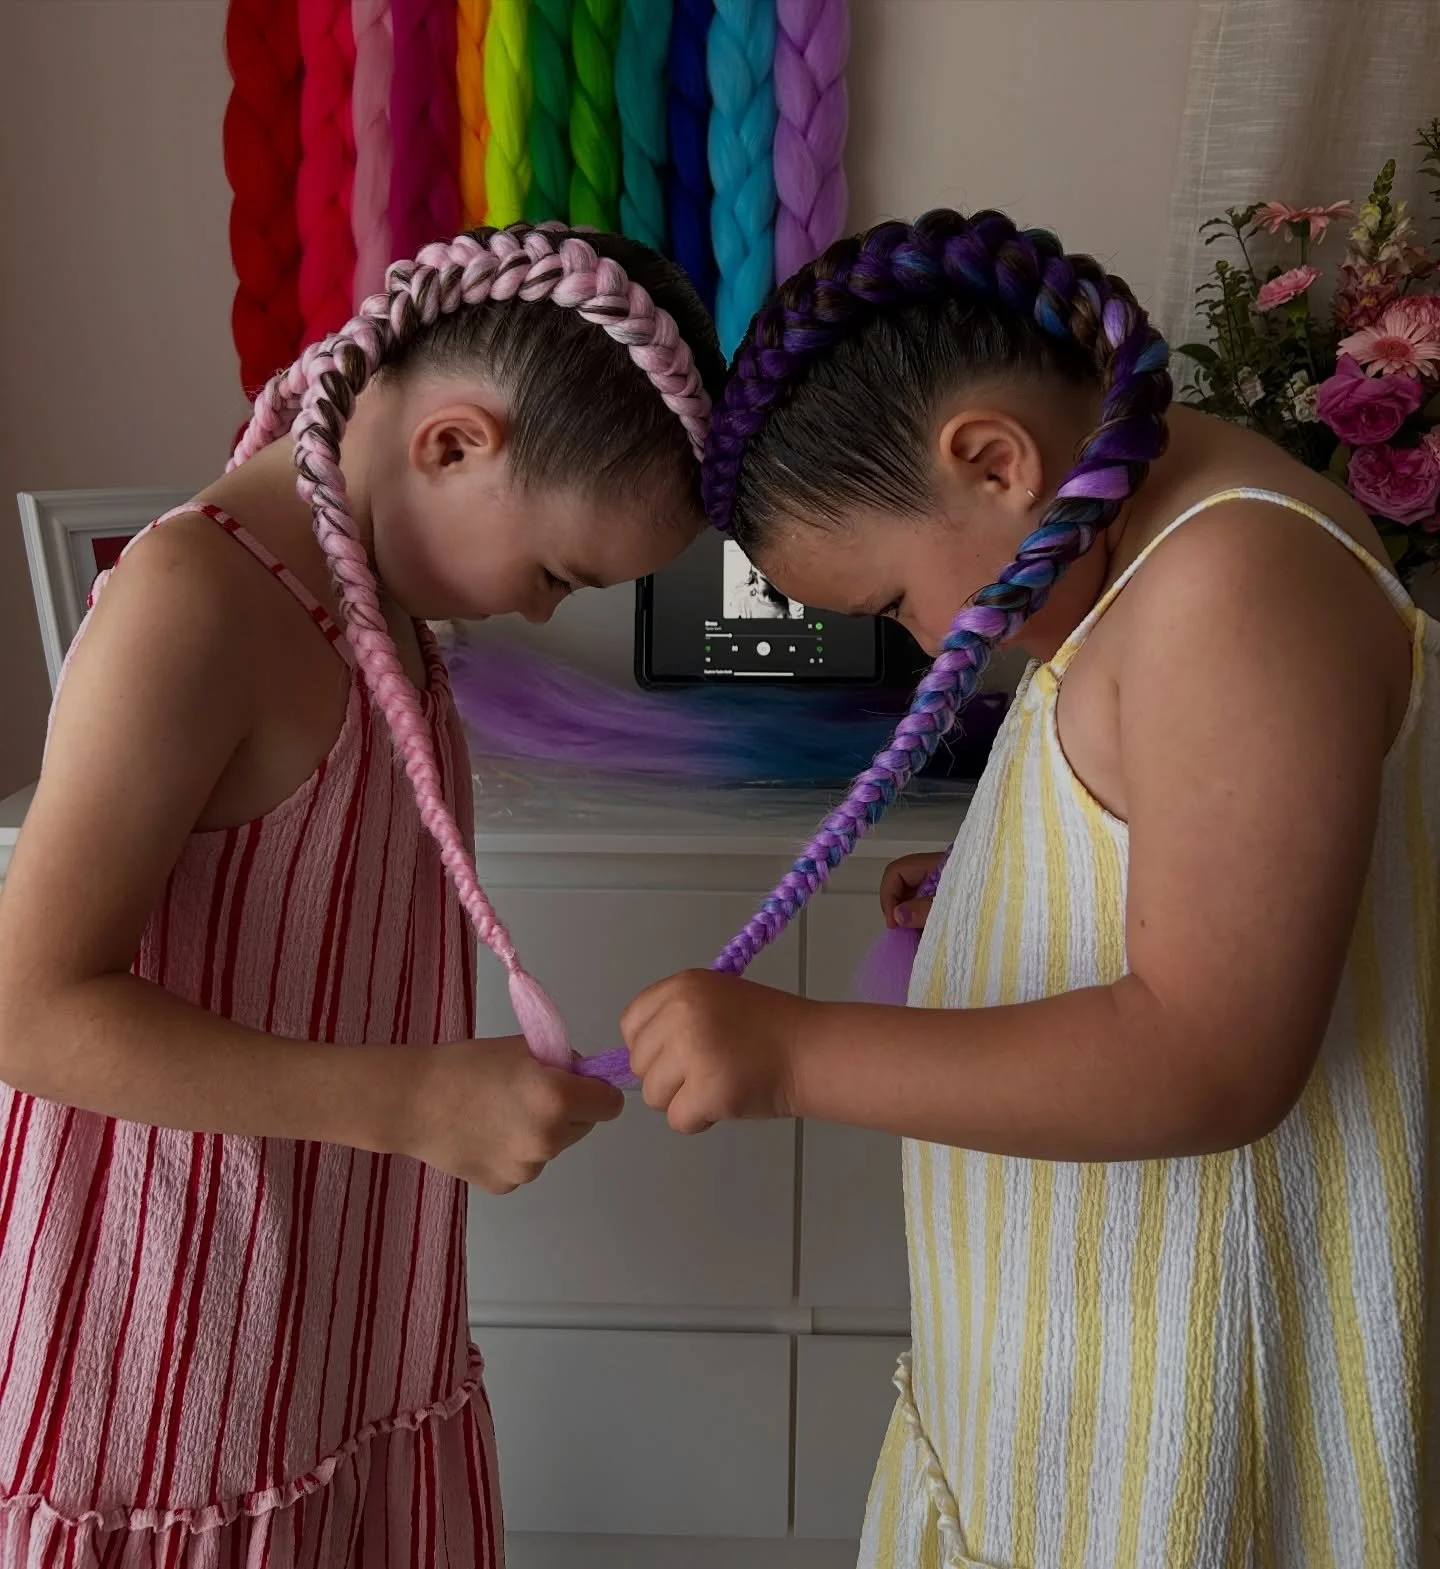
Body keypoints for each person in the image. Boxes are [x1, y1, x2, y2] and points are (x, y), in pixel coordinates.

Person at [621, 209, 1438, 1566]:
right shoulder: (1141, 543)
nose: (926, 642)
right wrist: (1021, 882)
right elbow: (1204, 829)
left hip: (1191, 1403)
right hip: (1086, 1361)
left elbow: (1213, 1056)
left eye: (893, 598)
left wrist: (796, 1050)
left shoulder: (1234, 585)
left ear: (993, 460)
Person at [0, 224, 722, 1566]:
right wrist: (412, 1101)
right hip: (168, 1343)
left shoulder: (378, 616)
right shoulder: (196, 601)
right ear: (453, 443)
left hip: (334, 1318)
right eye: (560, 573)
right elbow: (26, 1012)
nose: (544, 614)